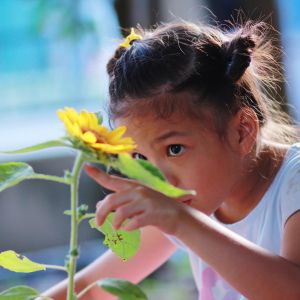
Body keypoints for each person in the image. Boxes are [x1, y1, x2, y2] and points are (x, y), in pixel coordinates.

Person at [44, 20, 300, 299]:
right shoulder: (192, 201)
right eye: (139, 157)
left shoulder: (293, 185)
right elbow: (92, 290)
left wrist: (182, 222)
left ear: (242, 131)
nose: (159, 180)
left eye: (174, 149)